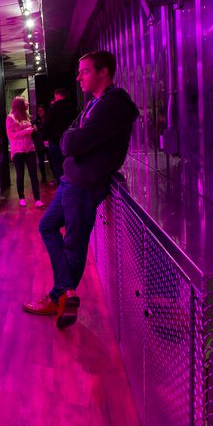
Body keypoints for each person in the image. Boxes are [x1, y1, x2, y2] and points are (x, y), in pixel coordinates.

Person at [23, 51, 138, 329]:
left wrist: (71, 139)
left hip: (84, 182)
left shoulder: (114, 104)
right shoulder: (94, 104)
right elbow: (68, 137)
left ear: (104, 71)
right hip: (71, 180)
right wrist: (71, 138)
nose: (79, 77)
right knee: (47, 226)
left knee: (74, 242)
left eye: (85, 71)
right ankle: (66, 292)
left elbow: (71, 143)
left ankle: (58, 297)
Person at [6, 97, 44, 208]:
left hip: (30, 148)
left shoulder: (27, 116)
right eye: (25, 101)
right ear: (20, 104)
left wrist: (33, 129)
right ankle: (21, 198)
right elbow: (11, 135)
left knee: (33, 174)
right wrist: (27, 131)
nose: (27, 103)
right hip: (18, 150)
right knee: (20, 175)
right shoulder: (10, 118)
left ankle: (37, 199)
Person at [39, 88, 78, 184]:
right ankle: (71, 186)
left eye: (56, 97)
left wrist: (44, 136)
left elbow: (47, 124)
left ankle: (62, 188)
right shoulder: (73, 106)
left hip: (56, 141)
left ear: (59, 96)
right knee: (70, 166)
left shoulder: (55, 106)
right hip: (71, 141)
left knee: (58, 166)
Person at [32, 105, 49, 184]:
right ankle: (44, 178)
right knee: (41, 161)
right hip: (40, 144)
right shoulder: (35, 121)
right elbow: (35, 133)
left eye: (41, 110)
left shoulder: (48, 119)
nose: (40, 112)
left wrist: (39, 129)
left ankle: (56, 177)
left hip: (48, 143)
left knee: (51, 160)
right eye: (38, 111)